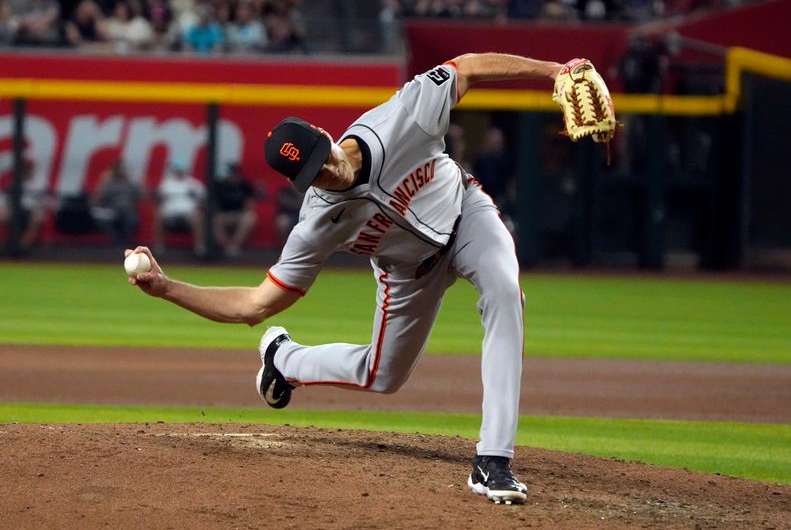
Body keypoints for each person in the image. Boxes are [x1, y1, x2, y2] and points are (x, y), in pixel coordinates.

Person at [126, 52, 564, 505]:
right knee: (382, 375)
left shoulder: (402, 117)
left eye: (323, 157)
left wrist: (555, 70)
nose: (328, 172)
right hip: (407, 272)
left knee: (505, 290)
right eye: (313, 174)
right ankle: (285, 359)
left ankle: (493, 459)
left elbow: (469, 65)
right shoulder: (317, 222)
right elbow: (255, 305)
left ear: (323, 134)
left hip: (465, 212)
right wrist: (167, 287)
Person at [153, 158, 206, 255]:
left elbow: (203, 198)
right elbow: (159, 198)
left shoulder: (194, 184)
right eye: (177, 170)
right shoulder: (166, 183)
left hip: (188, 215)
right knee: (159, 215)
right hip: (170, 215)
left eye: (181, 170)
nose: (179, 172)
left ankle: (200, 247)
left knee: (197, 216)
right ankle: (159, 246)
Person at [91, 158, 141, 247]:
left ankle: (123, 243)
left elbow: (141, 196)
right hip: (111, 209)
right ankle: (116, 244)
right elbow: (99, 198)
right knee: (109, 220)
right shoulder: (108, 182)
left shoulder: (129, 182)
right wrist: (104, 182)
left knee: (130, 219)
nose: (120, 171)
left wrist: (134, 179)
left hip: (128, 210)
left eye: (122, 169)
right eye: (118, 169)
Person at [211, 162, 257, 257]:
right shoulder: (218, 185)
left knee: (249, 217)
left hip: (239, 214)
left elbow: (249, 205)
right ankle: (225, 246)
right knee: (216, 218)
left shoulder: (244, 185)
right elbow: (214, 205)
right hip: (223, 214)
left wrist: (240, 214)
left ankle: (234, 246)